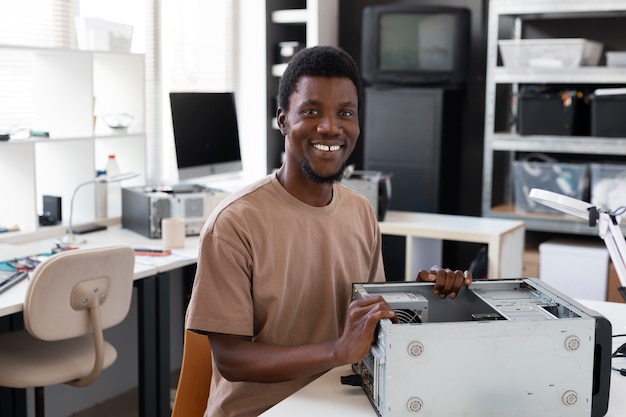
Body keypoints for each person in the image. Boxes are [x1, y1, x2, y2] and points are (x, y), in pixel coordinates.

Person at [185, 45, 472, 417]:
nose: (330, 127)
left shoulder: (360, 211)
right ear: (283, 120)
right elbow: (232, 359)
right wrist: (337, 351)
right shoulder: (234, 223)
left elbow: (365, 327)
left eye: (345, 113)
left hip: (341, 403)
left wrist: (424, 299)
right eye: (311, 111)